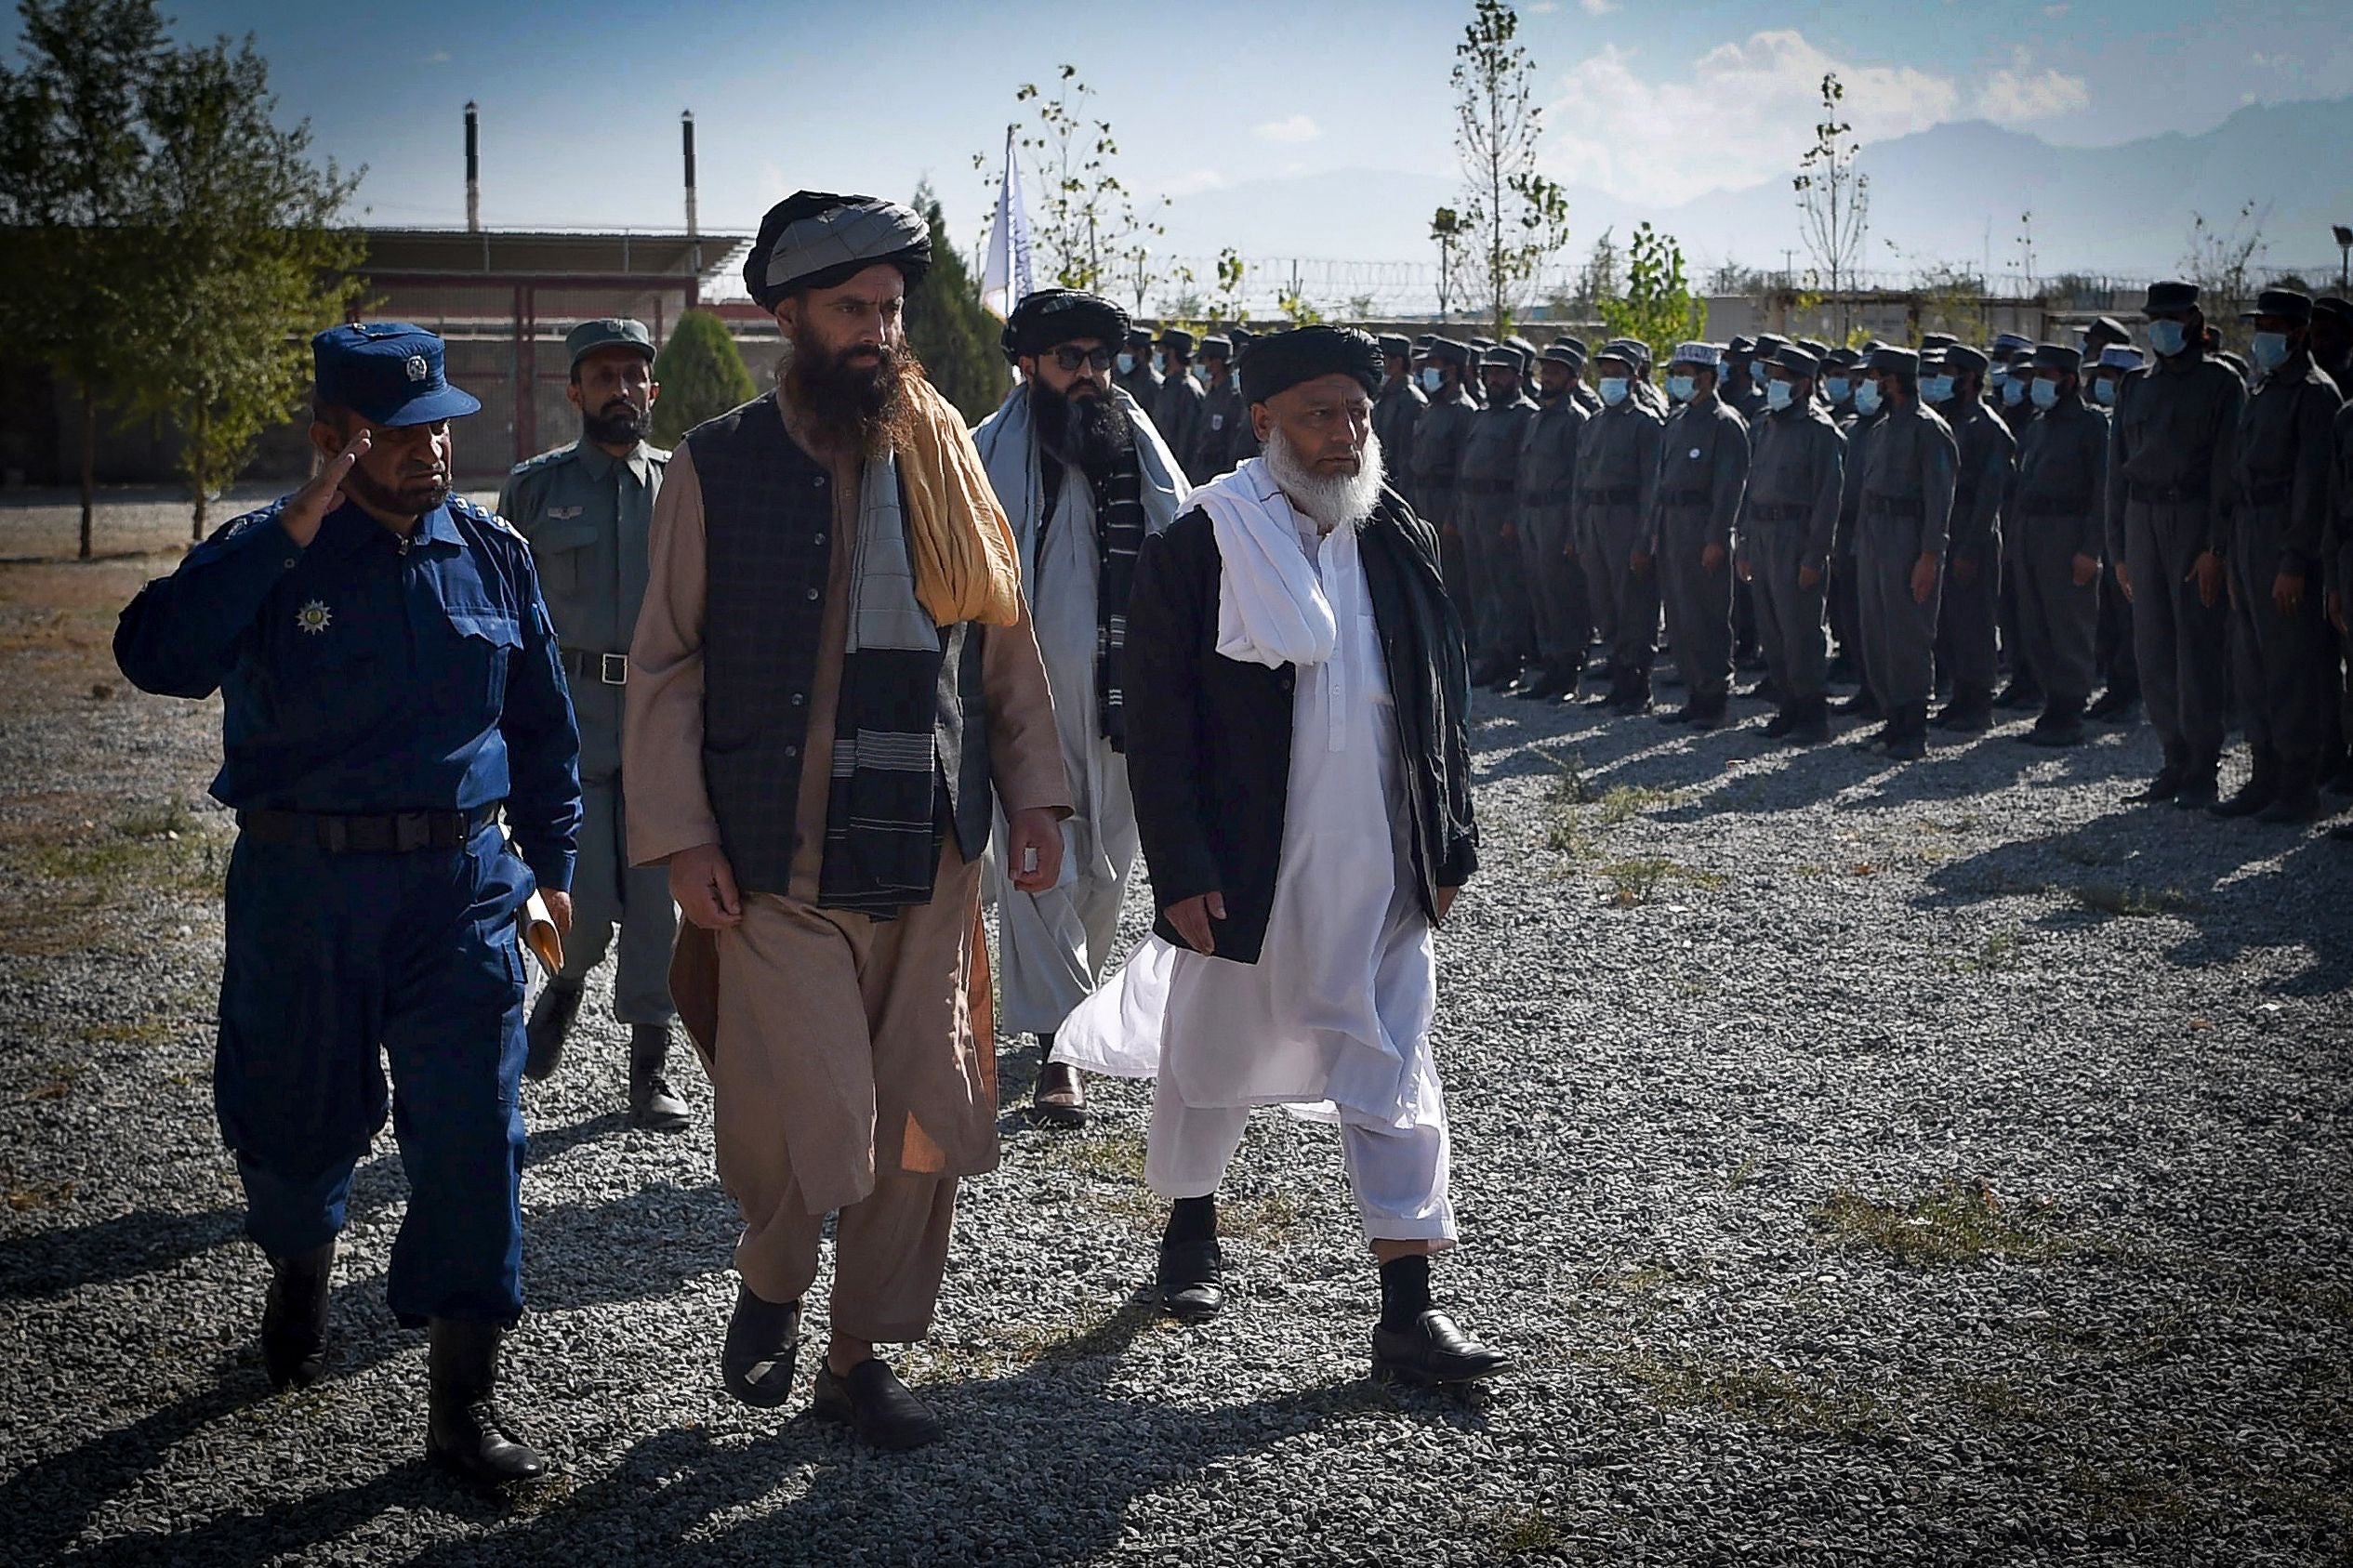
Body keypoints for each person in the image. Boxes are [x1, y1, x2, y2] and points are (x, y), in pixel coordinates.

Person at [624, 191, 1071, 1450]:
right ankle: (773, 1277)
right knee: (808, 1121)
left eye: (890, 308)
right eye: (850, 309)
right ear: (787, 320)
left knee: (919, 1110)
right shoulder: (716, 464)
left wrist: (1034, 792)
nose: (878, 331)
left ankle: (857, 1355)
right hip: (776, 860)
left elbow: (999, 639)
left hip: (925, 850)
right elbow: (665, 664)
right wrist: (683, 836)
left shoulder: (940, 454)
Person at [113, 323, 582, 1485]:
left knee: (479, 1132)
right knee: (289, 1117)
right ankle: (299, 1255)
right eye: (401, 432)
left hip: (460, 888)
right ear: (335, 435)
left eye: (441, 428)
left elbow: (542, 727)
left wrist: (554, 862)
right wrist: (287, 531)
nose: (431, 451)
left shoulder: (491, 553)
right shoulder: (270, 552)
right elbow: (156, 656)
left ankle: (462, 1403)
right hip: (302, 886)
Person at [1052, 325, 1507, 1388]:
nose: (1345, 434)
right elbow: (1158, 726)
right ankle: (1190, 1232)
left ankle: (1407, 1309)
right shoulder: (1200, 545)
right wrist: (1184, 870)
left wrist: (1452, 840)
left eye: (1356, 412)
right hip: (1249, 864)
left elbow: (1445, 703)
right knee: (1207, 1053)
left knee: (1395, 1066)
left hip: (1384, 868)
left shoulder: (1396, 536)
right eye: (1318, 414)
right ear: (1264, 421)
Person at [972, 289, 1191, 1126]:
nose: (1091, 375)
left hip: (1123, 701)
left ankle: (1066, 1016)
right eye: (1072, 360)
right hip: (1018, 702)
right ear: (1027, 364)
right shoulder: (989, 452)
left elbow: (1181, 542)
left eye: (1101, 359)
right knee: (1039, 863)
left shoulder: (1134, 444)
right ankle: (1060, 1048)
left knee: (1104, 869)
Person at [499, 318, 687, 1134]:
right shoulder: (534, 490)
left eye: (633, 376)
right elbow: (504, 609)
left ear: (652, 390)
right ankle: (563, 988)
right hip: (568, 720)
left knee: (658, 905)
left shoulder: (684, 484)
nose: (620, 390)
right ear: (574, 392)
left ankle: (651, 1066)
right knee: (583, 895)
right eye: (602, 376)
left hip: (661, 720)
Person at [2108, 281, 2244, 809]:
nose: (2161, 327)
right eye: (2154, 318)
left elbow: (2226, 473)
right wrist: (2117, 549)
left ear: (2193, 320)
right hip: (2142, 520)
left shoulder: (2220, 384)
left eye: (2170, 317)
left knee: (2197, 647)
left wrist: (2217, 548)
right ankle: (2172, 758)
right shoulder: (2135, 385)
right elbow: (2116, 472)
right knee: (2154, 648)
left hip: (2192, 520)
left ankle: (2202, 767)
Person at [2211, 288, 2344, 823]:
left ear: (2300, 333)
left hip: (2284, 536)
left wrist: (2293, 561)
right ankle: (2263, 775)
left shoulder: (2314, 394)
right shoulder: (2263, 388)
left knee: (2291, 666)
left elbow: (2313, 486)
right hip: (2249, 531)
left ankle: (2298, 785)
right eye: (2259, 323)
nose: (2262, 334)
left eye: (2273, 325)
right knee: (2253, 663)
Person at [1849, 346, 1957, 760]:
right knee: (1878, 633)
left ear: (1892, 381)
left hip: (1908, 537)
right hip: (1876, 536)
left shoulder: (1928, 428)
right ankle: (1893, 721)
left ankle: (1913, 730)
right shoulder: (1881, 428)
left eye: (1873, 377)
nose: (1867, 386)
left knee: (1908, 633)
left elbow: (1939, 498)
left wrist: (1930, 556)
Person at [1739, 345, 1845, 744]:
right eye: (1772, 377)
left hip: (1796, 536)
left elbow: (1827, 499)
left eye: (1782, 379)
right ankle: (1788, 706)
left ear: (1803, 385)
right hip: (1764, 533)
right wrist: (1745, 543)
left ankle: (1812, 714)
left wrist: (1814, 556)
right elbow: (1753, 487)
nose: (1773, 385)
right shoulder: (1766, 423)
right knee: (1772, 627)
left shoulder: (1820, 431)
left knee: (1801, 629)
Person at [2005, 344, 2108, 747]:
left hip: (2068, 533)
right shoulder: (2038, 424)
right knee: (2036, 622)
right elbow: (2022, 486)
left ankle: (2070, 710)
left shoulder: (2090, 425)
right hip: (2033, 530)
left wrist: (2090, 548)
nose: (2038, 384)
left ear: (2068, 379)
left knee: (2069, 622)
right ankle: (2052, 702)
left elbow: (2102, 489)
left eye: (2046, 376)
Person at [1648, 341, 1749, 728]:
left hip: (1702, 525)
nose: (1676, 381)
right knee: (1679, 613)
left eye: (1683, 374)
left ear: (1707, 378)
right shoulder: (1676, 421)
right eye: (1674, 374)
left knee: (1708, 614)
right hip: (1673, 525)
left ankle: (1714, 698)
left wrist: (1717, 538)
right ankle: (1694, 691)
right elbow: (1662, 480)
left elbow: (1730, 488)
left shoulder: (1725, 423)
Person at [1925, 346, 2016, 732]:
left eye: (1950, 372)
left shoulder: (1988, 428)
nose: (1942, 378)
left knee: (1974, 624)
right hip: (1946, 525)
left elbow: (1990, 495)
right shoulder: (1947, 420)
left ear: (1970, 378)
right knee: (1948, 621)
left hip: (1971, 530)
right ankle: (1960, 697)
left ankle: (1978, 703)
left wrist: (1969, 547)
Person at [1576, 344, 1666, 713]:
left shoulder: (1646, 423)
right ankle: (1618, 679)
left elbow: (1652, 486)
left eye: (1617, 372)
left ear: (1633, 376)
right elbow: (1580, 483)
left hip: (1627, 518)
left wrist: (1644, 540)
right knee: (1606, 603)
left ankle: (1638, 685)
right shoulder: (1593, 423)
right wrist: (1579, 530)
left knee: (1634, 604)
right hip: (1596, 517)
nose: (1609, 379)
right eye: (1605, 372)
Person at [1514, 341, 1593, 701]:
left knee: (1563, 595)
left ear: (1573, 380)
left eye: (1557, 372)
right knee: (1540, 593)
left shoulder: (1576, 420)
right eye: (1545, 370)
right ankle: (1550, 665)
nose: (1547, 378)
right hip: (1532, 515)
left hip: (1558, 516)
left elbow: (1580, 479)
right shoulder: (1536, 417)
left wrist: (1574, 531)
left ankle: (1569, 670)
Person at [1460, 344, 1540, 688]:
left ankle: (1510, 660)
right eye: (1489, 372)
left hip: (1502, 507)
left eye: (1501, 373)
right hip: (1474, 507)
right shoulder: (1482, 413)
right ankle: (1489, 654)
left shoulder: (1526, 416)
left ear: (1518, 378)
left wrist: (1512, 516)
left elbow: (1527, 473)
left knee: (1506, 588)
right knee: (1480, 585)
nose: (1493, 379)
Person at [2085, 344, 2147, 722]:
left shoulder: (2136, 420)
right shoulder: (2103, 421)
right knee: (2107, 616)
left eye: (2110, 377)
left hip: (2135, 530)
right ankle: (2115, 688)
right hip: (2112, 533)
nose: (2102, 384)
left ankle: (2131, 693)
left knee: (2132, 619)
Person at [1410, 338, 1480, 639]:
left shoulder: (1464, 411)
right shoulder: (1432, 407)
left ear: (1452, 371)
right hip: (1424, 497)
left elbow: (1463, 470)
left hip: (1446, 500)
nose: (1428, 372)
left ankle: (1462, 637)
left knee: (1453, 574)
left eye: (1434, 367)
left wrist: (1454, 515)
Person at [1371, 333, 1425, 513]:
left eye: (1382, 360)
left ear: (1397, 363)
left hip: (1398, 491)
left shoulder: (1411, 400)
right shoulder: (1382, 397)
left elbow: (1407, 455)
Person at [1190, 335, 1250, 481]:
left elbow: (1233, 443)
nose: (1199, 365)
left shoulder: (1234, 398)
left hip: (1220, 475)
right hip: (1201, 472)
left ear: (1216, 362)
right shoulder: (1210, 393)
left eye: (1202, 360)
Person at [1155, 327, 1207, 482]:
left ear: (1172, 353)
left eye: (1161, 350)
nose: (1158, 354)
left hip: (1175, 475)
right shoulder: (1167, 385)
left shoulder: (1188, 389)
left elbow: (1188, 441)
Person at [1115, 325, 1162, 408]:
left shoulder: (1156, 387)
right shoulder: (1120, 379)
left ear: (1141, 353)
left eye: (1125, 351)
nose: (1120, 356)